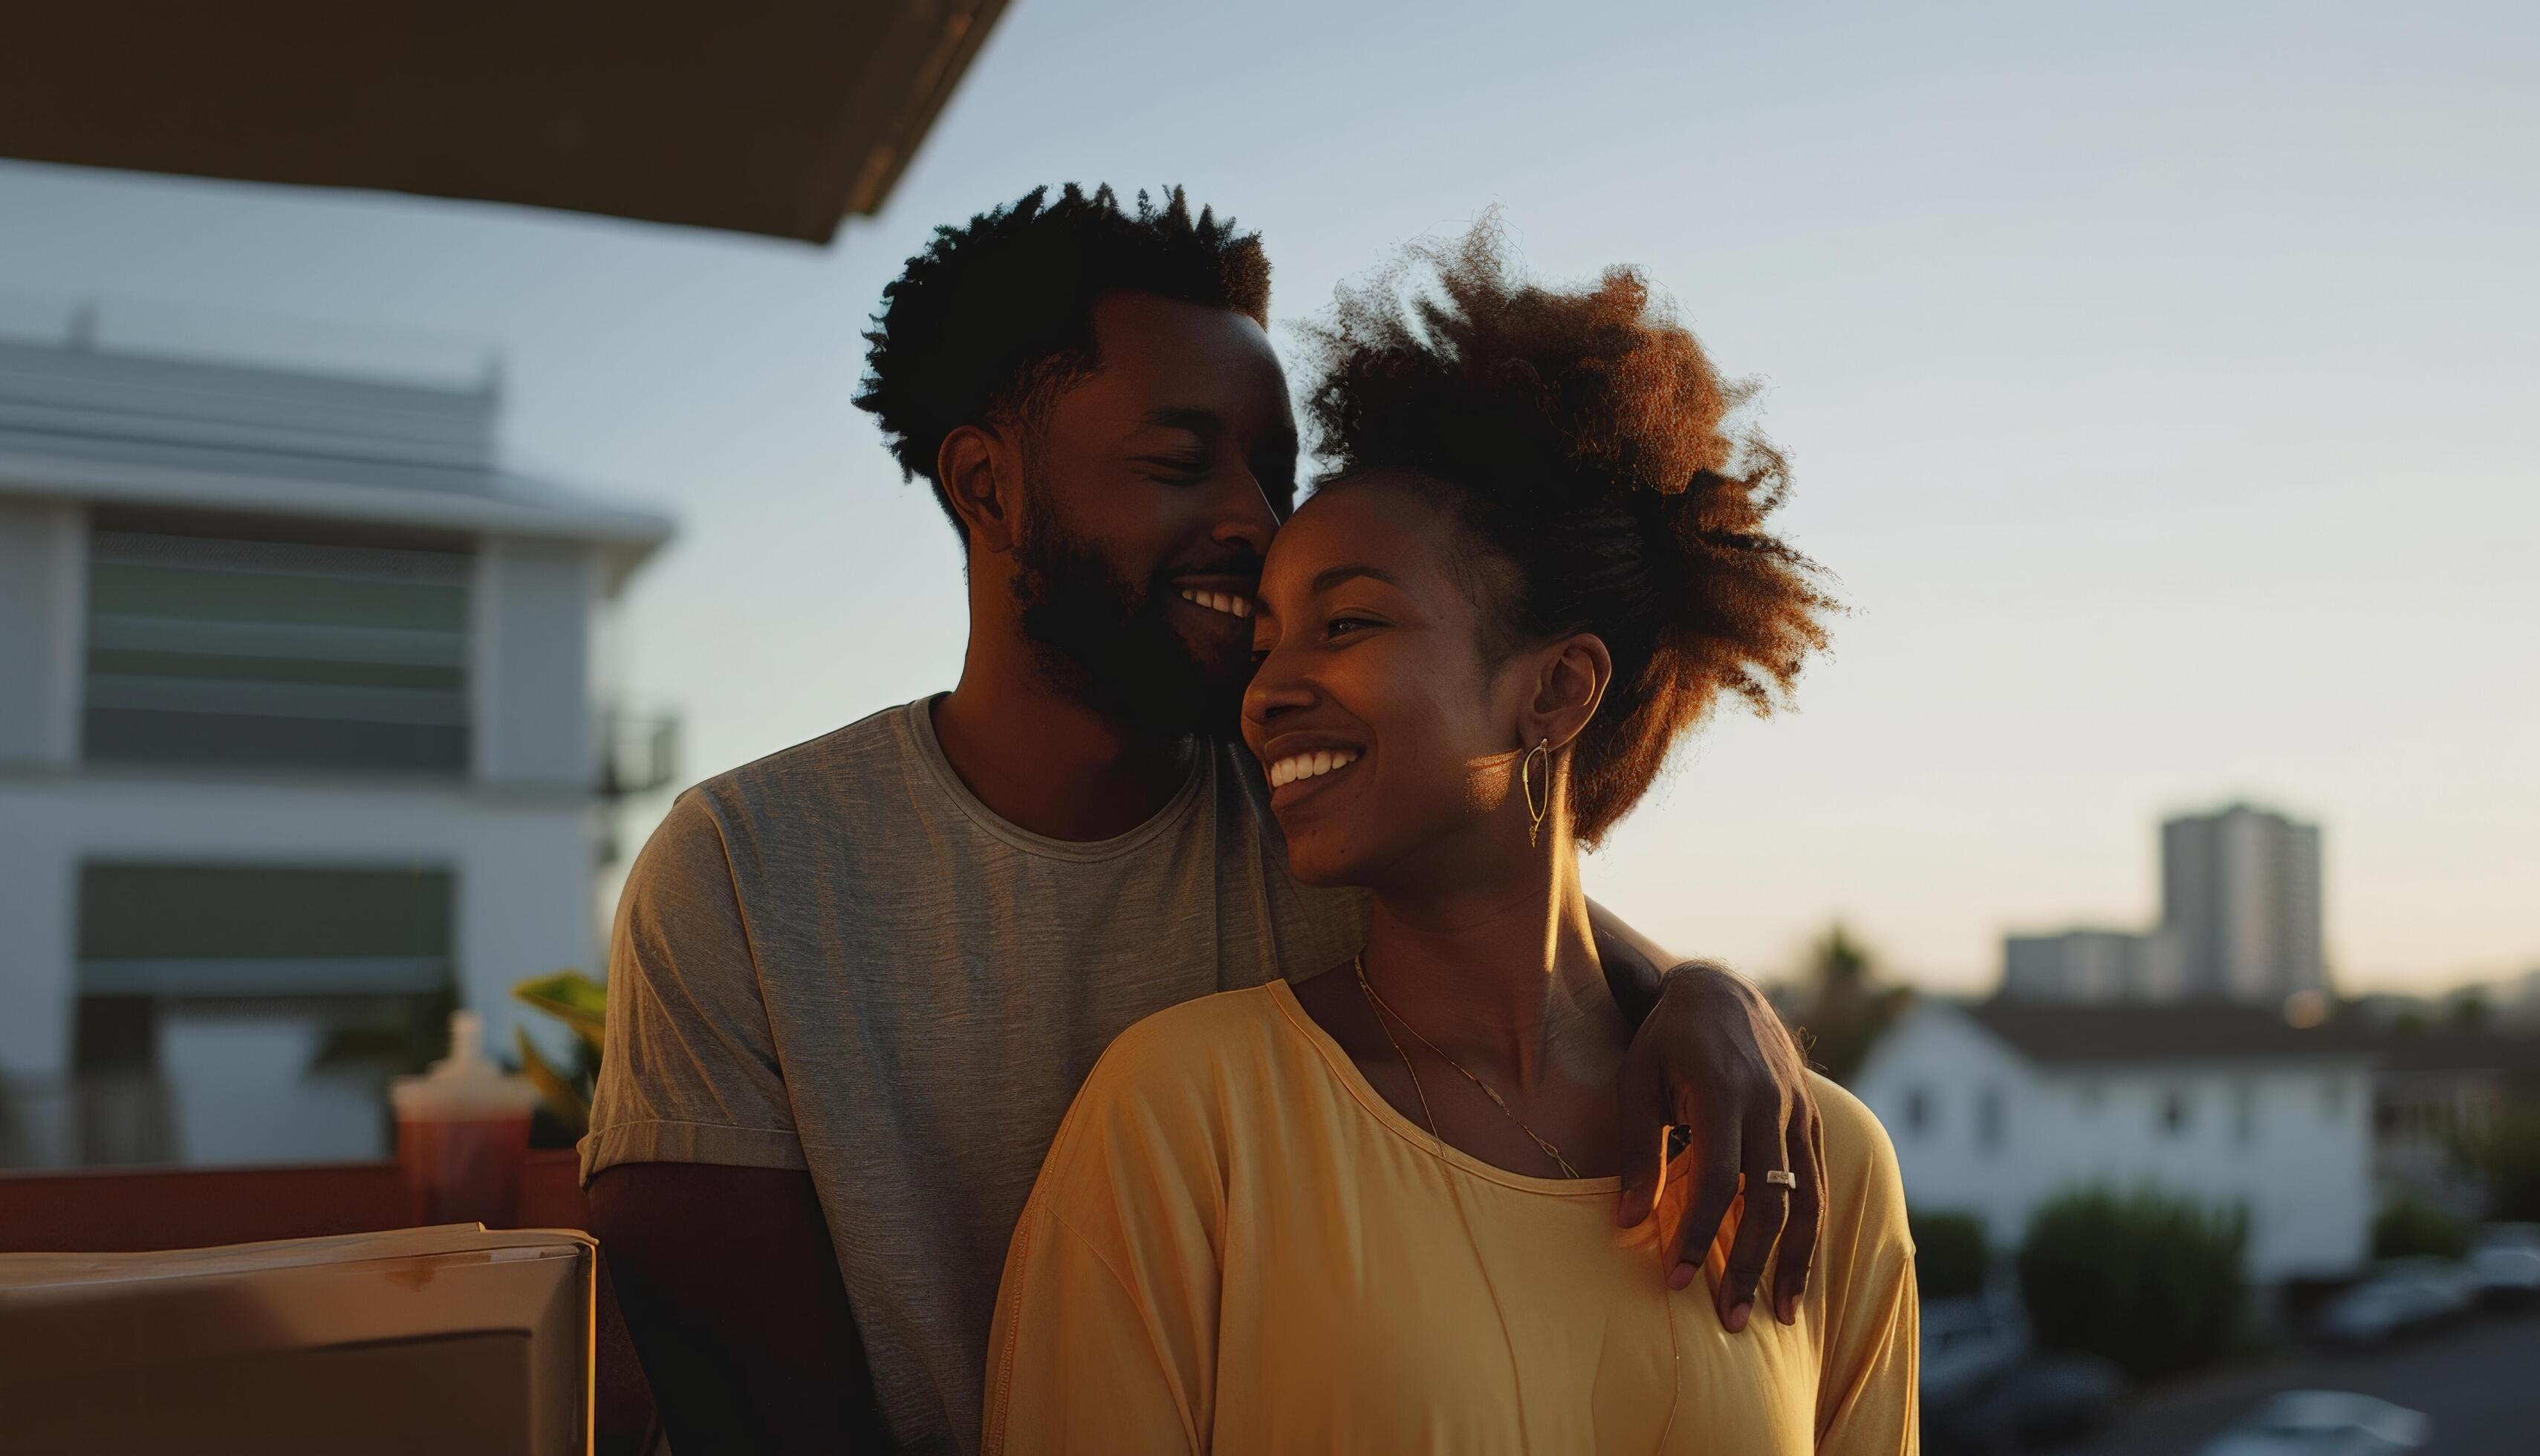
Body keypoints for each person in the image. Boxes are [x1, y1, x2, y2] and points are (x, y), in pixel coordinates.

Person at [581, 185, 1830, 1456]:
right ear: (986, 485)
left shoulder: (1312, 815)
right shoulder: (748, 870)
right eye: (1180, 463)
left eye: (1271, 468)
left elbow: (1540, 945)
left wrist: (1709, 998)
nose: (1253, 518)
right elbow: (746, 1405)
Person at [983, 225, 1914, 1455]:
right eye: (1265, 640)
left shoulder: (1811, 1163)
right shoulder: (1186, 1120)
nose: (1266, 692)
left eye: (1348, 623)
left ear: (1556, 692)